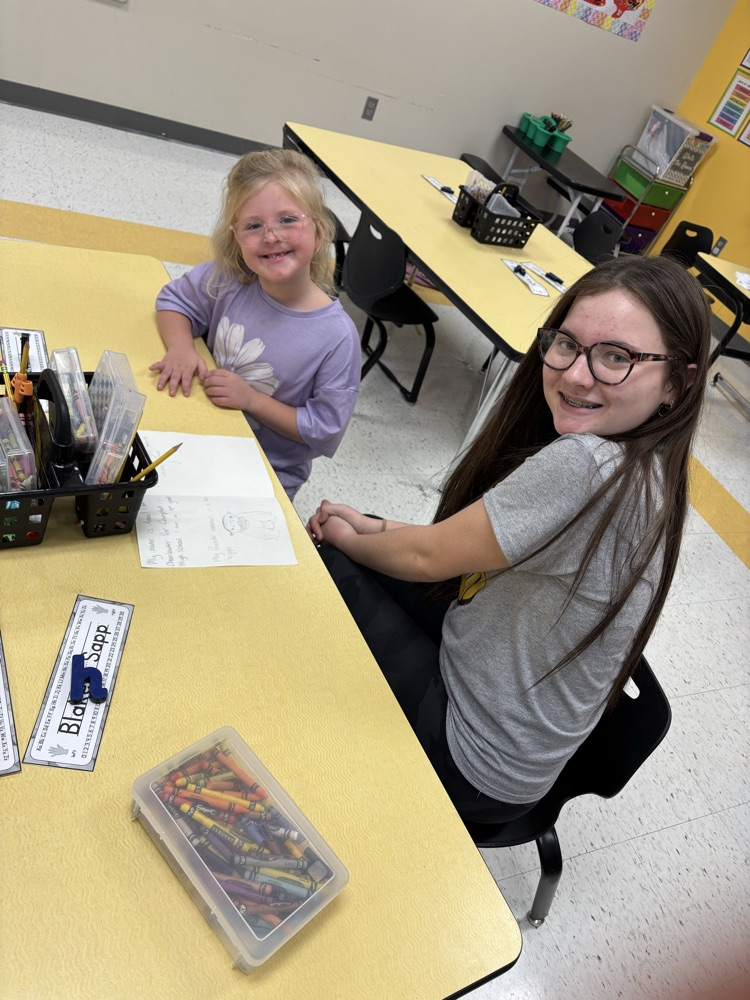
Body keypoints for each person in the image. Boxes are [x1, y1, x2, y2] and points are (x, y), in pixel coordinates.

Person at [307, 254, 711, 823]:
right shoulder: (656, 472)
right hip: (510, 740)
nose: (575, 374)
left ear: (678, 381)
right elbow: (456, 545)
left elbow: (428, 556)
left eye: (616, 357)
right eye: (566, 343)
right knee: (360, 546)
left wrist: (345, 539)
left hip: (472, 760)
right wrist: (370, 526)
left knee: (326, 559)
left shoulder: (588, 466)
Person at [151, 149, 361, 499]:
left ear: (320, 232)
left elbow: (325, 429)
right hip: (201, 434)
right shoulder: (229, 279)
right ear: (236, 237)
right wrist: (181, 348)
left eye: (288, 220)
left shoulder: (337, 337)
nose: (271, 236)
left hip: (266, 474)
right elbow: (174, 301)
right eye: (253, 225)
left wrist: (250, 399)